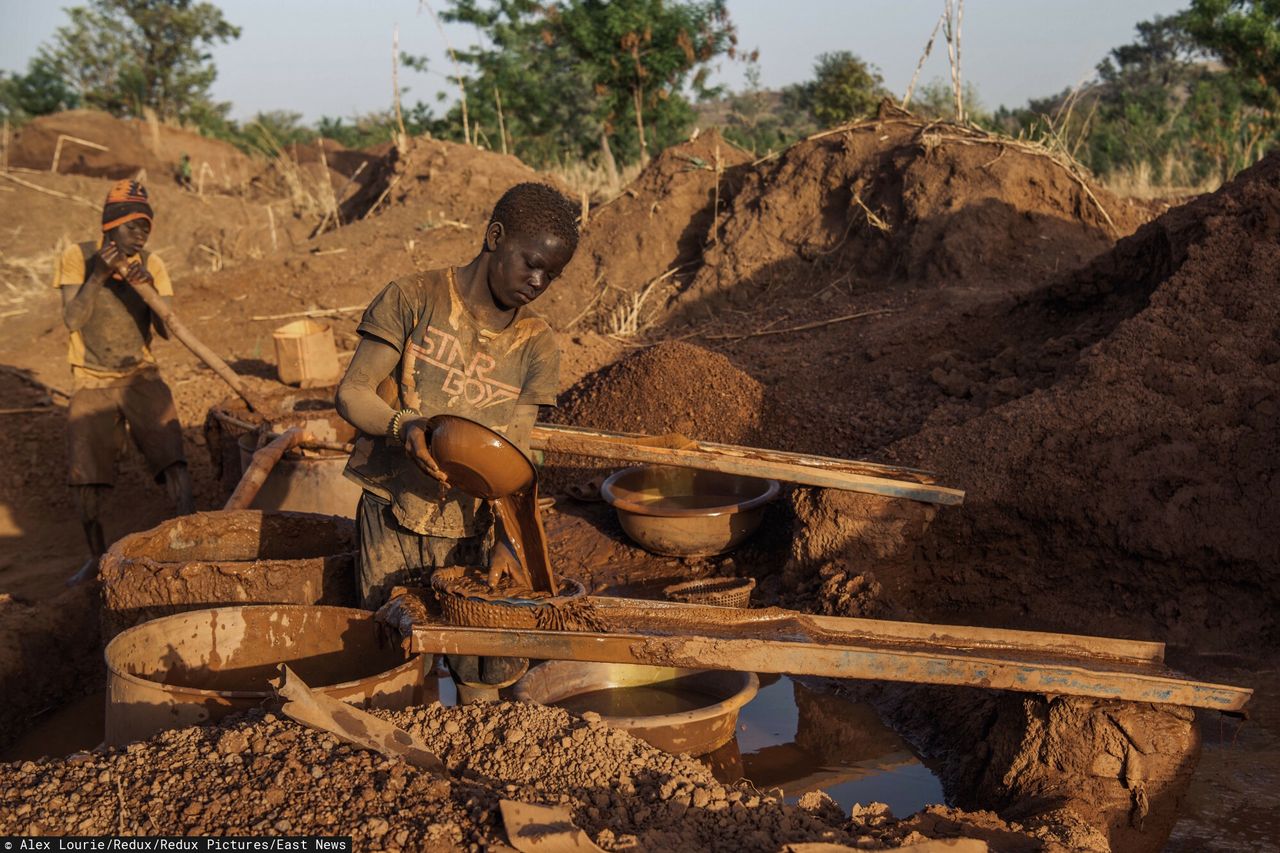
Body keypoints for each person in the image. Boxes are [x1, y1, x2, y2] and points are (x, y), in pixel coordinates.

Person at [336, 181, 578, 699]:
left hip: (473, 526)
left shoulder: (536, 344)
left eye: (551, 275)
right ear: (495, 236)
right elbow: (352, 394)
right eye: (531, 263)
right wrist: (405, 426)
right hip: (392, 510)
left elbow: (516, 455)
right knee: (397, 671)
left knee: (481, 683)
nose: (538, 282)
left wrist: (509, 541)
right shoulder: (414, 298)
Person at [54, 179, 194, 578]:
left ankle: (190, 543)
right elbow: (72, 320)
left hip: (140, 374)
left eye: (146, 227)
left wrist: (148, 289)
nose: (140, 234)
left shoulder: (152, 264)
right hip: (92, 379)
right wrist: (98, 276)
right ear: (110, 225)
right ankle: (94, 557)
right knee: (85, 475)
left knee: (173, 457)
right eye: (132, 226)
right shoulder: (78, 257)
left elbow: (168, 330)